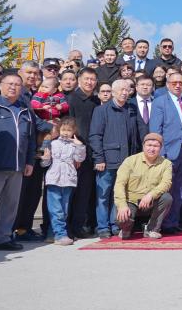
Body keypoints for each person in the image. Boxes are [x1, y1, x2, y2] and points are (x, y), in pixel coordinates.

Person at [0, 70, 52, 256]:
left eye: (17, 84)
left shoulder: (25, 108)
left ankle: (3, 237)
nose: (13, 87)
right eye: (9, 84)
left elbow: (31, 137)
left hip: (18, 165)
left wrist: (29, 161)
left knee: (10, 205)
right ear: (0, 86)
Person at [88, 78, 145, 238]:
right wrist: (99, 158)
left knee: (120, 195)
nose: (125, 92)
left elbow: (141, 132)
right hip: (107, 160)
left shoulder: (132, 109)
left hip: (128, 161)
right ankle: (102, 227)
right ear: (113, 92)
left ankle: (115, 224)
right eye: (121, 89)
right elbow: (95, 136)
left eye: (127, 90)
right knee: (103, 195)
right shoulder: (102, 111)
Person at [149, 69, 182, 234]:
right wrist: (160, 153)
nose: (177, 85)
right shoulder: (160, 102)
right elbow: (155, 130)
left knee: (180, 190)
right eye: (174, 83)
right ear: (167, 84)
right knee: (165, 190)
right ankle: (159, 224)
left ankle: (172, 223)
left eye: (180, 83)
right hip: (167, 153)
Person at [114, 134, 173, 239]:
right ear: (143, 146)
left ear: (161, 148)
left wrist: (151, 195)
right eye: (149, 145)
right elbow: (119, 184)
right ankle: (126, 229)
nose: (152, 149)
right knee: (122, 219)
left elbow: (166, 183)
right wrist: (122, 205)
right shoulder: (130, 161)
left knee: (167, 198)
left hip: (151, 201)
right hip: (131, 201)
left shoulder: (166, 164)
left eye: (156, 146)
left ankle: (152, 229)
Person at [65, 68, 99, 239]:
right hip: (75, 153)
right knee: (71, 192)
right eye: (86, 79)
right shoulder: (71, 99)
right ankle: (67, 228)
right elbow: (67, 128)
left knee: (85, 192)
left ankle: (78, 227)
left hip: (91, 153)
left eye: (93, 79)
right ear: (79, 80)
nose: (89, 82)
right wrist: (74, 151)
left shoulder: (96, 101)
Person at [42, 116, 86, 246]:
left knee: (65, 209)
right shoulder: (53, 143)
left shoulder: (75, 144)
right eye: (63, 129)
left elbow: (80, 159)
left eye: (69, 130)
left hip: (68, 179)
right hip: (54, 178)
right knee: (56, 209)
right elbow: (45, 164)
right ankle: (60, 235)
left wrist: (80, 146)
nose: (66, 132)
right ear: (59, 129)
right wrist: (45, 158)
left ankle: (53, 233)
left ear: (74, 131)